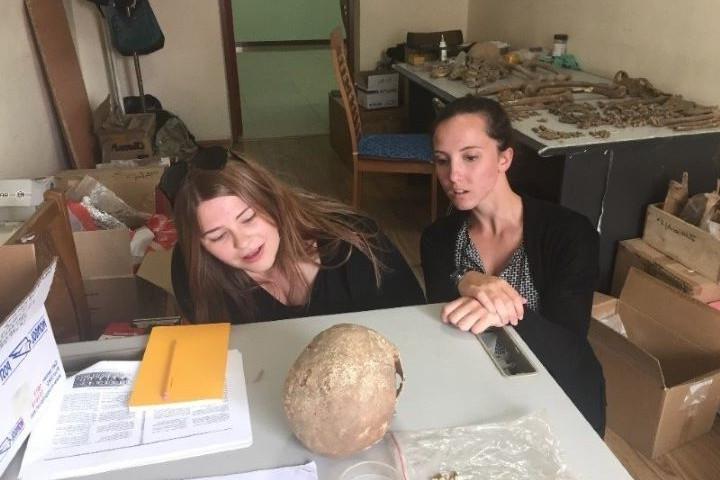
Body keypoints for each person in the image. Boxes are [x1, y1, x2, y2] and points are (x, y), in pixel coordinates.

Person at [420, 96, 606, 435]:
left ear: (505, 158)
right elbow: (443, 321)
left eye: (471, 157)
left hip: (557, 394)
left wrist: (505, 312)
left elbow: (569, 349)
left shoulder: (569, 234)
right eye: (442, 160)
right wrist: (466, 281)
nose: (453, 175)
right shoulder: (438, 238)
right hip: (474, 392)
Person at [171, 147, 425, 325]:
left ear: (273, 202)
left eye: (248, 218)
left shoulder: (355, 241)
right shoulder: (194, 270)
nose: (243, 242)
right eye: (218, 237)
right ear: (199, 245)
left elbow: (415, 323)